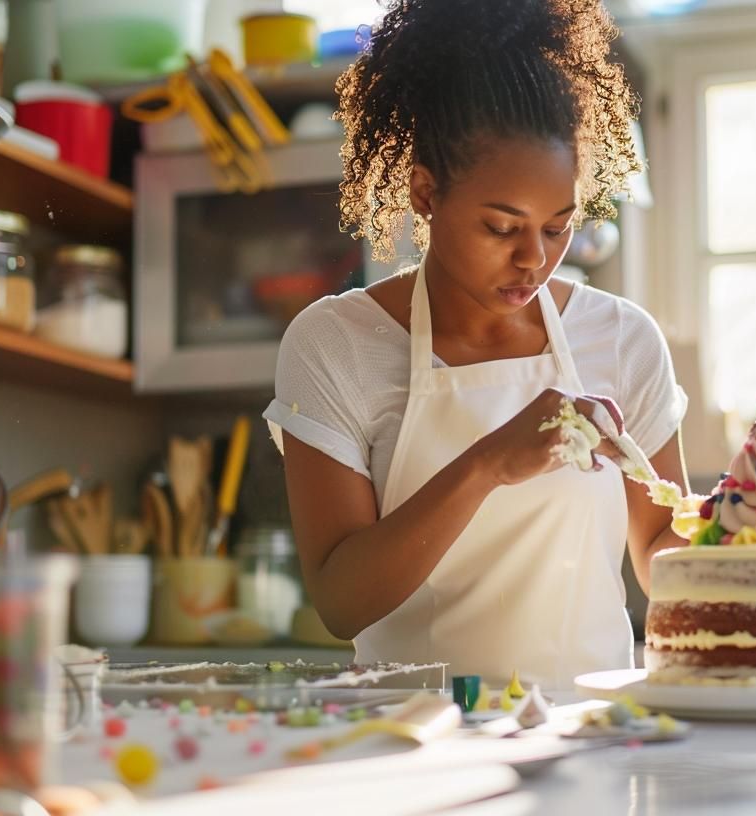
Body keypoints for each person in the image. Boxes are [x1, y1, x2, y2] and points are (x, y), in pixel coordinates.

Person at [264, 0, 688, 688]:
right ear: (426, 193)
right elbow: (341, 602)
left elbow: (659, 554)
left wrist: (739, 530)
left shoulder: (622, 338)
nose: (534, 260)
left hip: (591, 742)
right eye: (501, 227)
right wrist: (489, 462)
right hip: (413, 745)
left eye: (558, 228)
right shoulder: (336, 343)